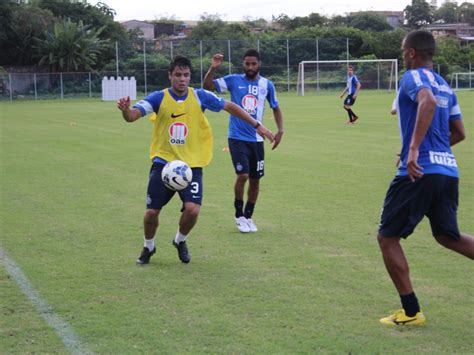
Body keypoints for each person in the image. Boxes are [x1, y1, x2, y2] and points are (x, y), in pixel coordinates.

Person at [117, 55, 274, 265]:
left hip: (192, 165)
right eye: (178, 75)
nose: (182, 79)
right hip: (164, 164)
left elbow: (230, 106)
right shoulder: (159, 98)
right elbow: (133, 116)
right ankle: (148, 246)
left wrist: (257, 125)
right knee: (151, 213)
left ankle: (180, 240)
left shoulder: (200, 96)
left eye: (186, 75)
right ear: (170, 76)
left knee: (192, 210)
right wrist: (126, 110)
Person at [377, 30, 474, 326]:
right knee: (448, 236)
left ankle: (410, 311)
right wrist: (416, 149)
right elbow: (459, 133)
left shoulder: (413, 78)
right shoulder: (446, 85)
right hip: (448, 170)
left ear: (411, 53)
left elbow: (427, 102)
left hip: (419, 173)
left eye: (403, 50)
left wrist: (416, 149)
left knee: (387, 238)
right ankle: (410, 310)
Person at [203, 49, 284, 233]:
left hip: (257, 140)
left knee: (255, 180)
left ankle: (249, 216)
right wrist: (213, 69)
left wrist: (281, 130)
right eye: (247, 64)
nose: (250, 67)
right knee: (243, 175)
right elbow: (208, 86)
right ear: (243, 64)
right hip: (237, 137)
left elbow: (276, 108)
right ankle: (239, 215)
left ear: (259, 64)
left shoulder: (267, 85)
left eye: (253, 64)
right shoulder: (233, 80)